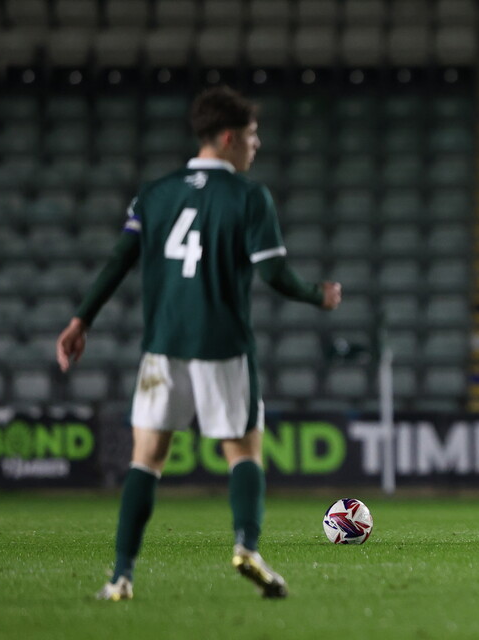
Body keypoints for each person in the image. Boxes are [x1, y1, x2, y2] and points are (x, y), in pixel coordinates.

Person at [56, 86, 342, 600]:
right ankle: (246, 547)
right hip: (223, 346)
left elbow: (120, 259)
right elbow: (274, 274)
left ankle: (120, 577)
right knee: (243, 451)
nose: (257, 147)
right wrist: (317, 295)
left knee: (146, 458)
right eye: (252, 137)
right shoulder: (249, 196)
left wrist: (81, 319)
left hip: (162, 346)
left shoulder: (156, 192)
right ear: (229, 137)